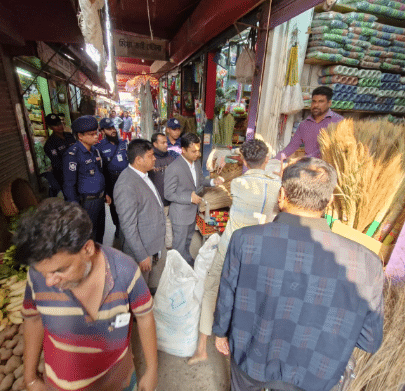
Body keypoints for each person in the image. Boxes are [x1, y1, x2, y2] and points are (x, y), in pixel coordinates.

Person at [213, 157, 384, 391]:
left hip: (251, 360)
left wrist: (220, 333)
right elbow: (369, 341)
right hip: (315, 374)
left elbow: (226, 297)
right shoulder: (367, 262)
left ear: (281, 195)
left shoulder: (246, 240)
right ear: (330, 201)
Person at [15, 199, 158, 391]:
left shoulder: (126, 271)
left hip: (119, 383)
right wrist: (30, 377)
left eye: (60, 270)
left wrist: (152, 370)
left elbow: (144, 316)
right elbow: (33, 321)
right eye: (44, 273)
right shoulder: (36, 276)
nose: (49, 281)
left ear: (87, 249)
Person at [188, 139, 281, 365]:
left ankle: (202, 348)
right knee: (249, 295)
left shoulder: (239, 184)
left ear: (243, 160)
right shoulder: (278, 185)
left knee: (213, 286)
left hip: (231, 245)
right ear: (267, 160)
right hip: (262, 248)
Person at [164, 133, 223, 266]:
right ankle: (177, 269)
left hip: (192, 212)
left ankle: (186, 259)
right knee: (179, 245)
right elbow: (168, 194)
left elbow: (200, 181)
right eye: (193, 151)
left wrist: (213, 182)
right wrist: (189, 198)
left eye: (198, 150)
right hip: (180, 214)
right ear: (183, 150)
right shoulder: (174, 168)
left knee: (188, 240)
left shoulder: (195, 163)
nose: (198, 154)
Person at [113, 139, 166, 284]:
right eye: (150, 156)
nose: (154, 158)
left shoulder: (143, 175)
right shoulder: (126, 185)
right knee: (139, 288)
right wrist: (142, 256)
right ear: (138, 159)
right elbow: (128, 227)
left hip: (151, 243)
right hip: (141, 250)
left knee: (150, 283)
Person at [62, 116, 110, 244]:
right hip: (86, 203)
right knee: (88, 236)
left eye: (96, 133)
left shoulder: (95, 151)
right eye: (92, 134)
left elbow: (98, 174)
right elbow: (69, 184)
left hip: (99, 200)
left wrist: (105, 193)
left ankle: (99, 257)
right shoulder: (73, 154)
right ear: (80, 136)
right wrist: (75, 209)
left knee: (100, 233)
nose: (96, 136)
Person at [275, 86, 343, 161]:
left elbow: (329, 149)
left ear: (329, 103)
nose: (316, 105)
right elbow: (291, 146)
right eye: (314, 101)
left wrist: (301, 160)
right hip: (308, 166)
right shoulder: (305, 124)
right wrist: (275, 159)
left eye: (321, 101)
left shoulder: (338, 122)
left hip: (329, 167)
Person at [96, 118, 129, 238]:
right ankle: (118, 227)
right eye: (109, 129)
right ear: (103, 131)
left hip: (126, 179)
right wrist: (105, 191)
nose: (113, 130)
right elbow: (100, 170)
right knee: (115, 207)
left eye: (113, 128)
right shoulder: (99, 147)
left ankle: (127, 228)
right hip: (111, 180)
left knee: (128, 204)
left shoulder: (123, 143)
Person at [148, 133, 178, 249]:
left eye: (167, 142)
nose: (166, 145)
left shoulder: (171, 158)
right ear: (155, 144)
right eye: (163, 142)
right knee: (156, 226)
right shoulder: (150, 159)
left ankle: (169, 246)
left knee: (169, 222)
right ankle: (155, 250)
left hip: (170, 200)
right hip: (156, 201)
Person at [43, 114, 76, 197]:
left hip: (78, 173)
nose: (59, 127)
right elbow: (57, 164)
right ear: (50, 127)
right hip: (65, 178)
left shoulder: (70, 136)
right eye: (55, 125)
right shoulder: (50, 144)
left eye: (59, 124)